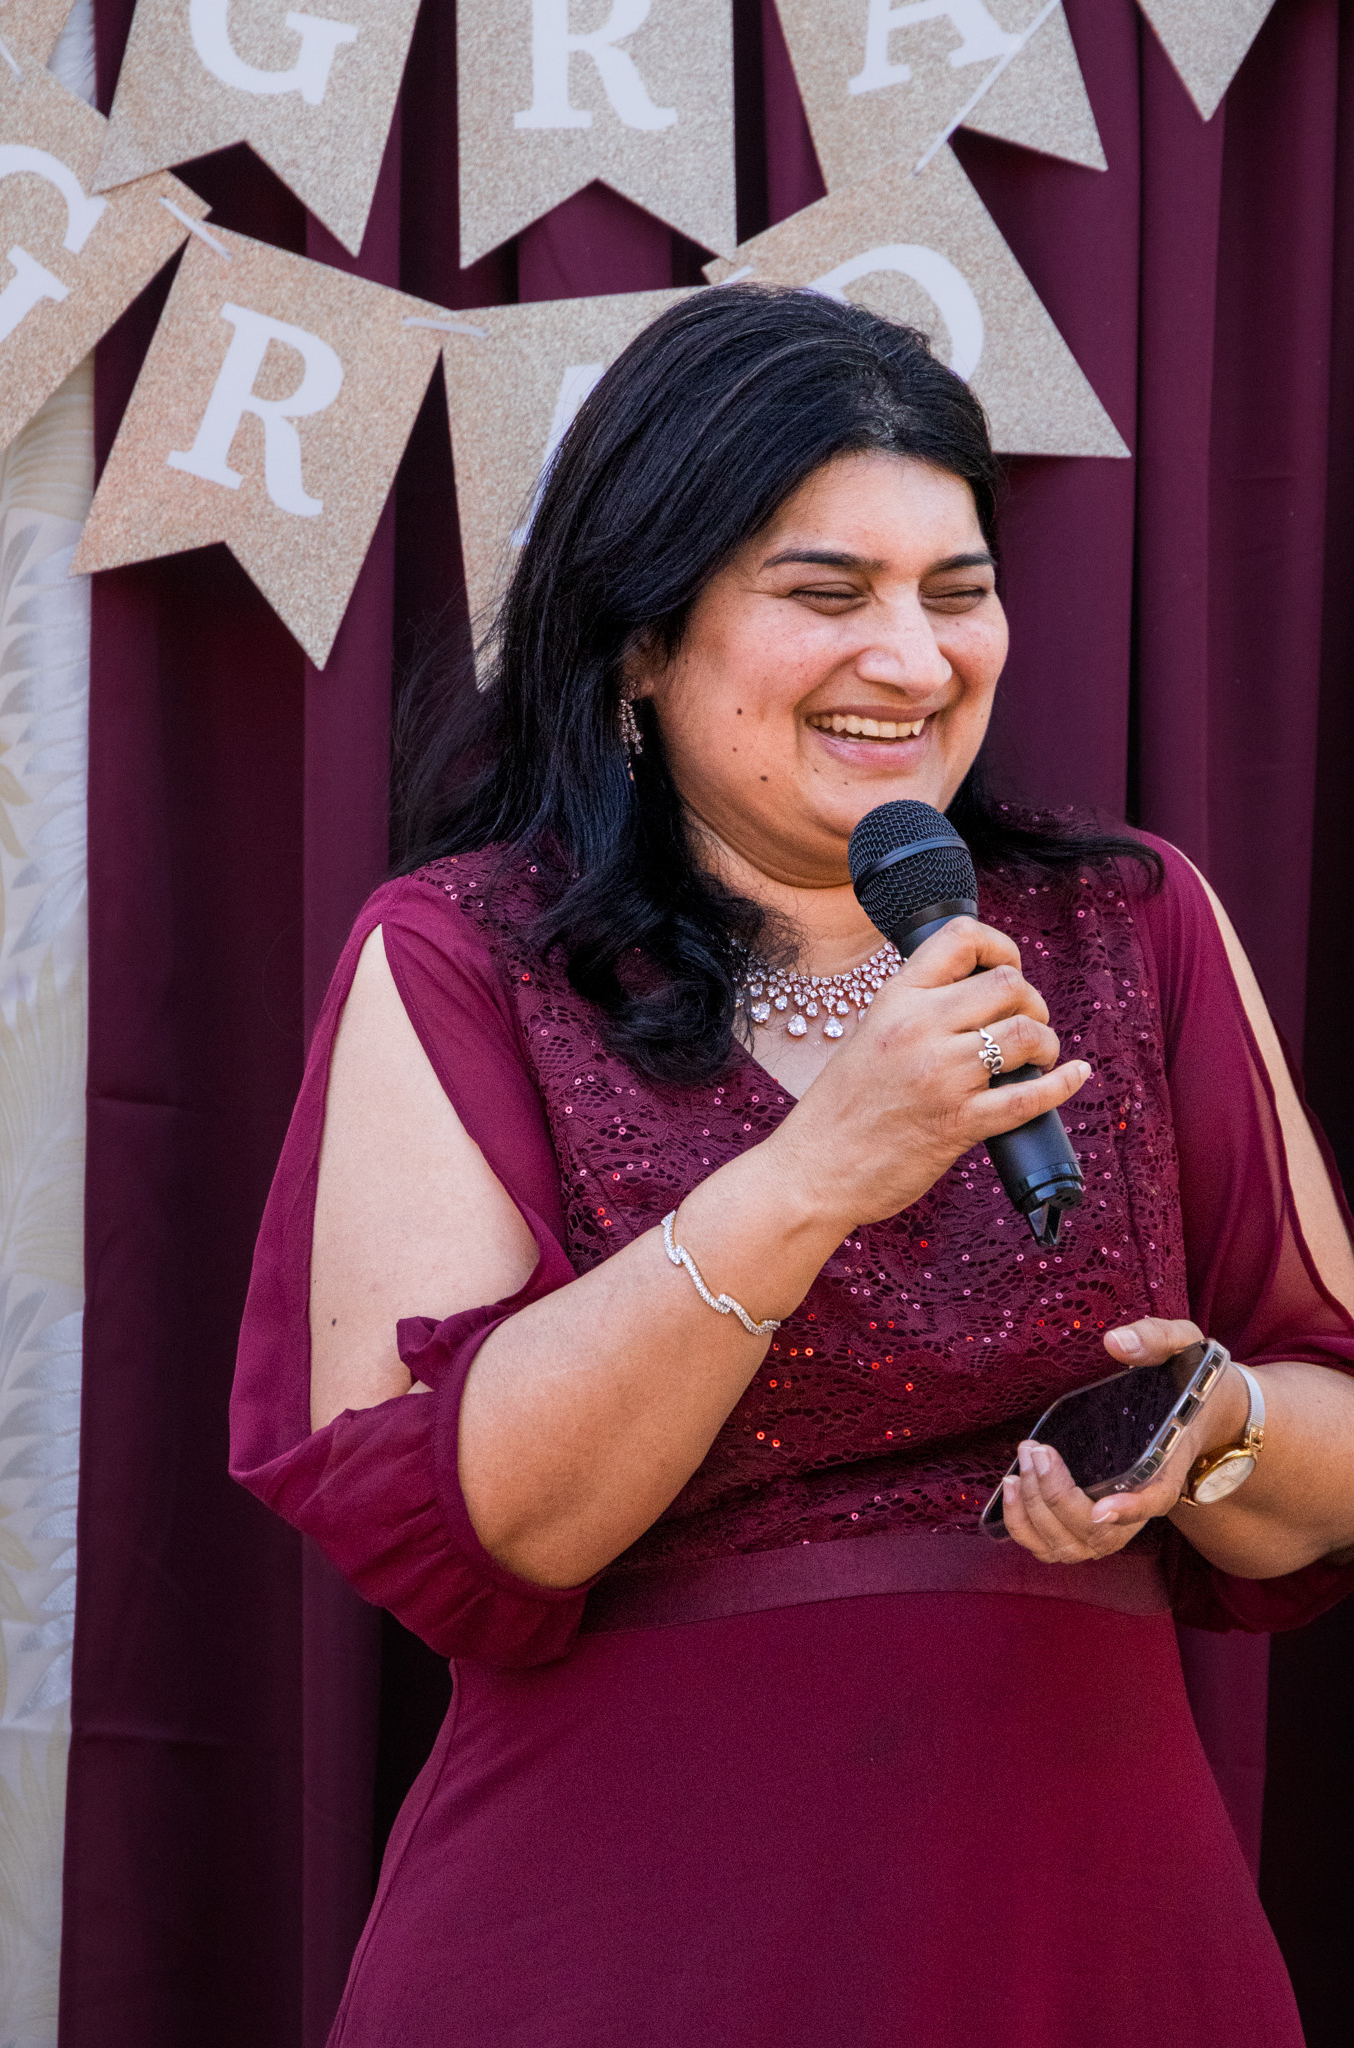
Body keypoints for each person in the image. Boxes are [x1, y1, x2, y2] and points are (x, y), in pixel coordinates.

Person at [231, 286, 1354, 2046]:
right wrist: (817, 1169)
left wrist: (1215, 1434)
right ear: (640, 644)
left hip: (1094, 1927)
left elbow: (1331, 1433)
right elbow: (488, 1525)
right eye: (826, 596)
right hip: (627, 1941)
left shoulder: (1131, 920)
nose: (910, 660)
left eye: (955, 593)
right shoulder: (462, 955)